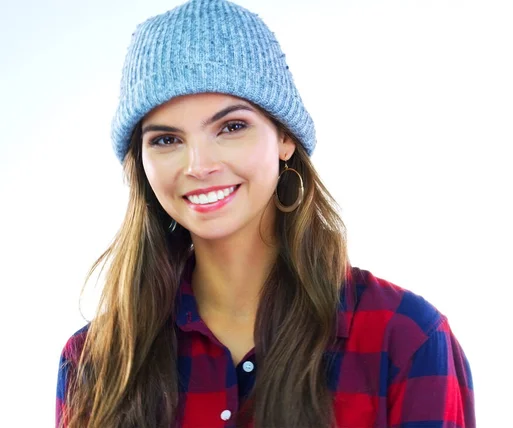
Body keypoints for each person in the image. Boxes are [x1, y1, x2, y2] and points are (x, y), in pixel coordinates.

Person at [55, 0, 475, 427]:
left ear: (285, 138)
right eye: (166, 140)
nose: (198, 165)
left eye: (231, 127)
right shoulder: (94, 361)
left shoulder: (403, 337)